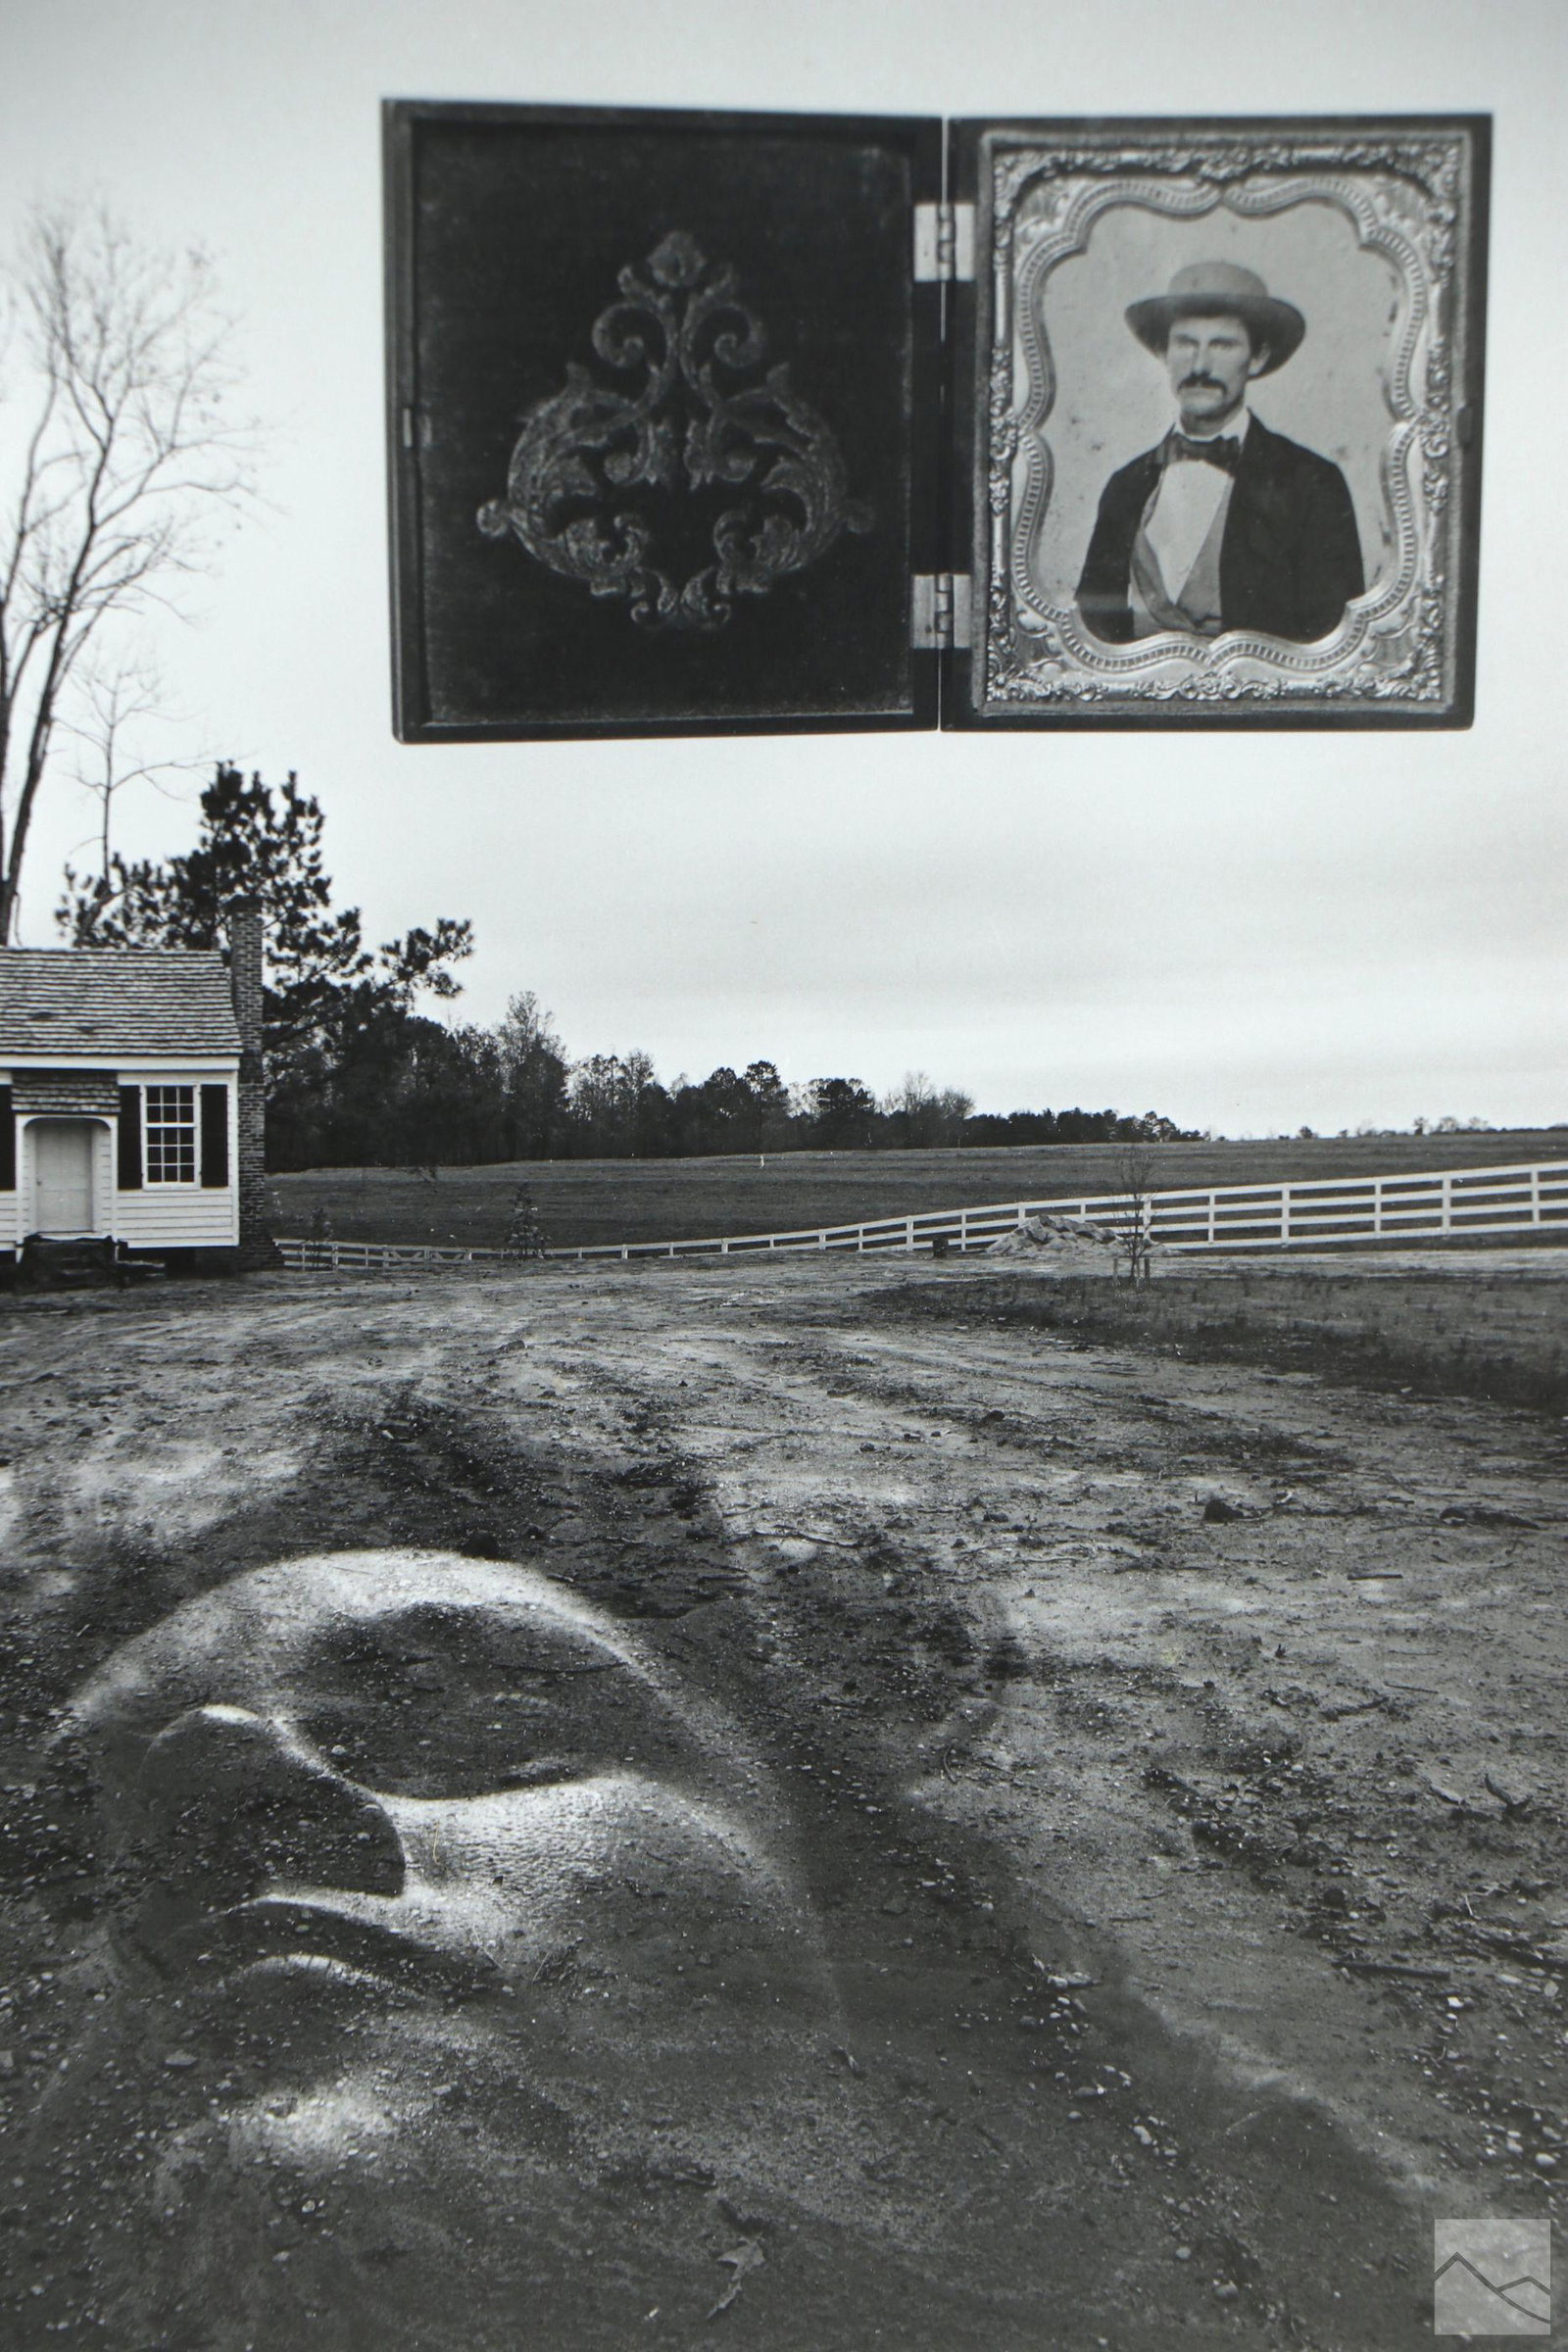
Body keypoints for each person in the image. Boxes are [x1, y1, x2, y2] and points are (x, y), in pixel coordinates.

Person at [1075, 260, 1365, 645]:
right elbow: (1093, 631)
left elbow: (1336, 642)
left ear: (1257, 358)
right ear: (1163, 353)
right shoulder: (1126, 485)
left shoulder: (1310, 482)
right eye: (1185, 344)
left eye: (1223, 345)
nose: (1200, 366)